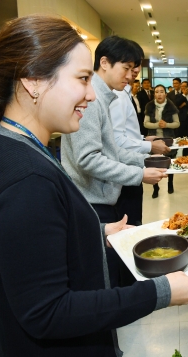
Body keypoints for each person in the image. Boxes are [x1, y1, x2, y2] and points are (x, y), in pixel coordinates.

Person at [0, 15, 188, 357]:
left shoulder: (7, 144)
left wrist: (93, 230)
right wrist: (160, 292)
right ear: (33, 80)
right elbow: (48, 312)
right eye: (82, 79)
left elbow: (28, 241)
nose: (91, 95)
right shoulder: (24, 177)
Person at [61, 35, 167, 287]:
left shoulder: (104, 96)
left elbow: (112, 151)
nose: (131, 76)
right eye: (127, 68)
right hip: (91, 200)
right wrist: (140, 174)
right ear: (105, 63)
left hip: (102, 196)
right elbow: (88, 159)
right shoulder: (92, 99)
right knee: (100, 275)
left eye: (134, 70)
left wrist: (146, 161)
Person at [110, 53, 171, 227]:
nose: (134, 71)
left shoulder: (125, 92)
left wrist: (143, 139)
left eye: (136, 66)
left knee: (134, 219)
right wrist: (149, 146)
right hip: (124, 169)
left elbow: (123, 132)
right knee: (128, 223)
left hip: (131, 164)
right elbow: (116, 140)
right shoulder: (117, 95)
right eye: (128, 67)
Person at [144, 84, 180, 197]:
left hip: (168, 140)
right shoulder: (149, 106)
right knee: (154, 164)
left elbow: (177, 123)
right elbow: (145, 124)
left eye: (161, 91)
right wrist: (157, 125)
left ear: (165, 93)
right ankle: (156, 187)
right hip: (154, 140)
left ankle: (170, 183)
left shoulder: (171, 106)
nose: (159, 94)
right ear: (154, 94)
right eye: (157, 92)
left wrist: (166, 125)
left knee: (170, 163)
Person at [178, 80, 188, 156]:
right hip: (181, 120)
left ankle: (186, 153)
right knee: (178, 137)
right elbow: (177, 104)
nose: (183, 88)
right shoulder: (179, 95)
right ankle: (174, 153)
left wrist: (185, 103)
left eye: (185, 87)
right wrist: (183, 95)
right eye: (182, 86)